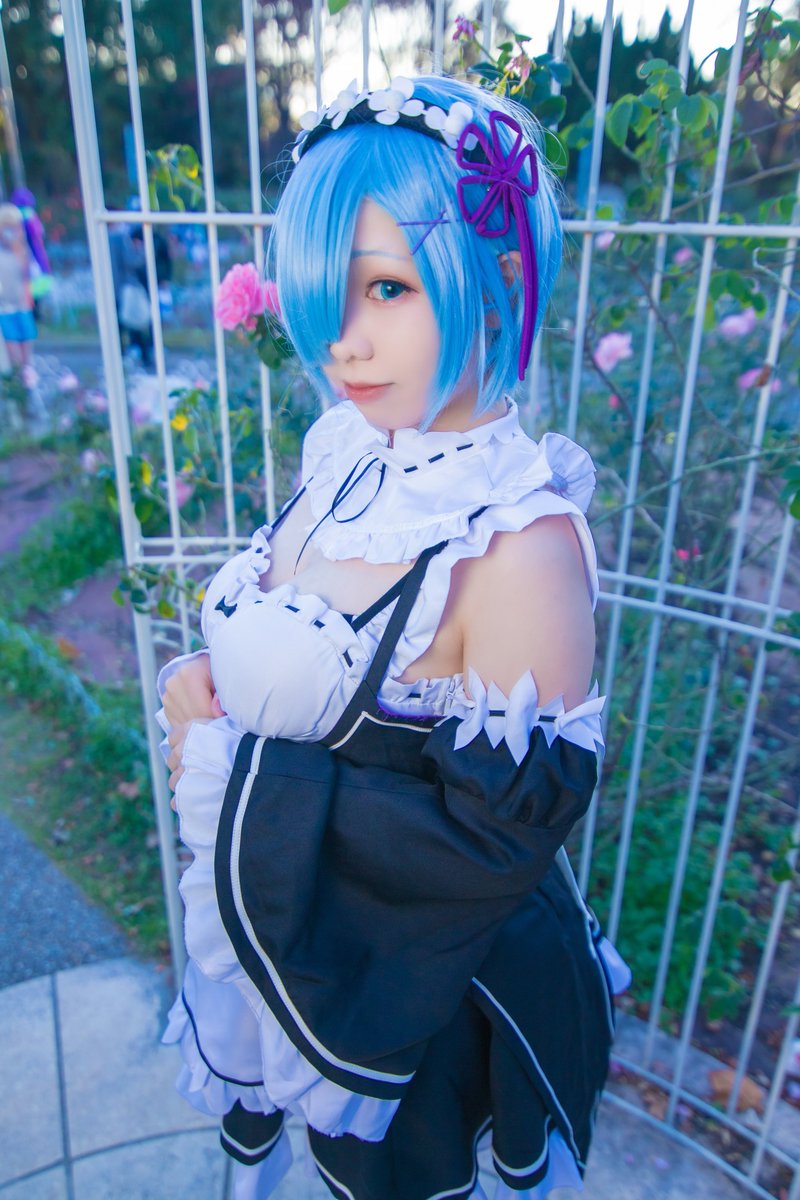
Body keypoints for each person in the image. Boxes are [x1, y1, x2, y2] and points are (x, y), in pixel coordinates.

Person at [157, 74, 629, 1200]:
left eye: (386, 287)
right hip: (303, 956)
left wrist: (227, 766)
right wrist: (208, 685)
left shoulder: (516, 545)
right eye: (325, 291)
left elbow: (485, 851)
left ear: (498, 277)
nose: (342, 341)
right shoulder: (348, 450)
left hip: (402, 1013)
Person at [0, 203, 37, 370]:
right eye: (7, 226)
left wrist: (19, 248)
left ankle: (26, 378)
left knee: (26, 359)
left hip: (22, 306)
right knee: (13, 357)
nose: (12, 231)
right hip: (4, 309)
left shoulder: (22, 250)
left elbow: (27, 277)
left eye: (15, 226)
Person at [10, 187, 54, 320]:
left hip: (28, 256)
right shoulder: (29, 217)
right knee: (33, 283)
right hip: (31, 256)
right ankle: (34, 312)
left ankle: (33, 312)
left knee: (31, 284)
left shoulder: (20, 217)